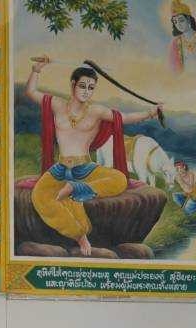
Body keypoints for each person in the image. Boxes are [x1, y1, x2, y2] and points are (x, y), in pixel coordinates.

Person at [23, 59, 163, 256]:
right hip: (60, 169)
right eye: (82, 86)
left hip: (85, 168)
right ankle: (79, 235)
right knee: (39, 196)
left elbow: (123, 118)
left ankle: (75, 188)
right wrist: (36, 70)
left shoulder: (96, 111)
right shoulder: (57, 104)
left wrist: (150, 112)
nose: (86, 91)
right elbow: (31, 92)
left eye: (91, 88)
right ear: (73, 84)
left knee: (119, 179)